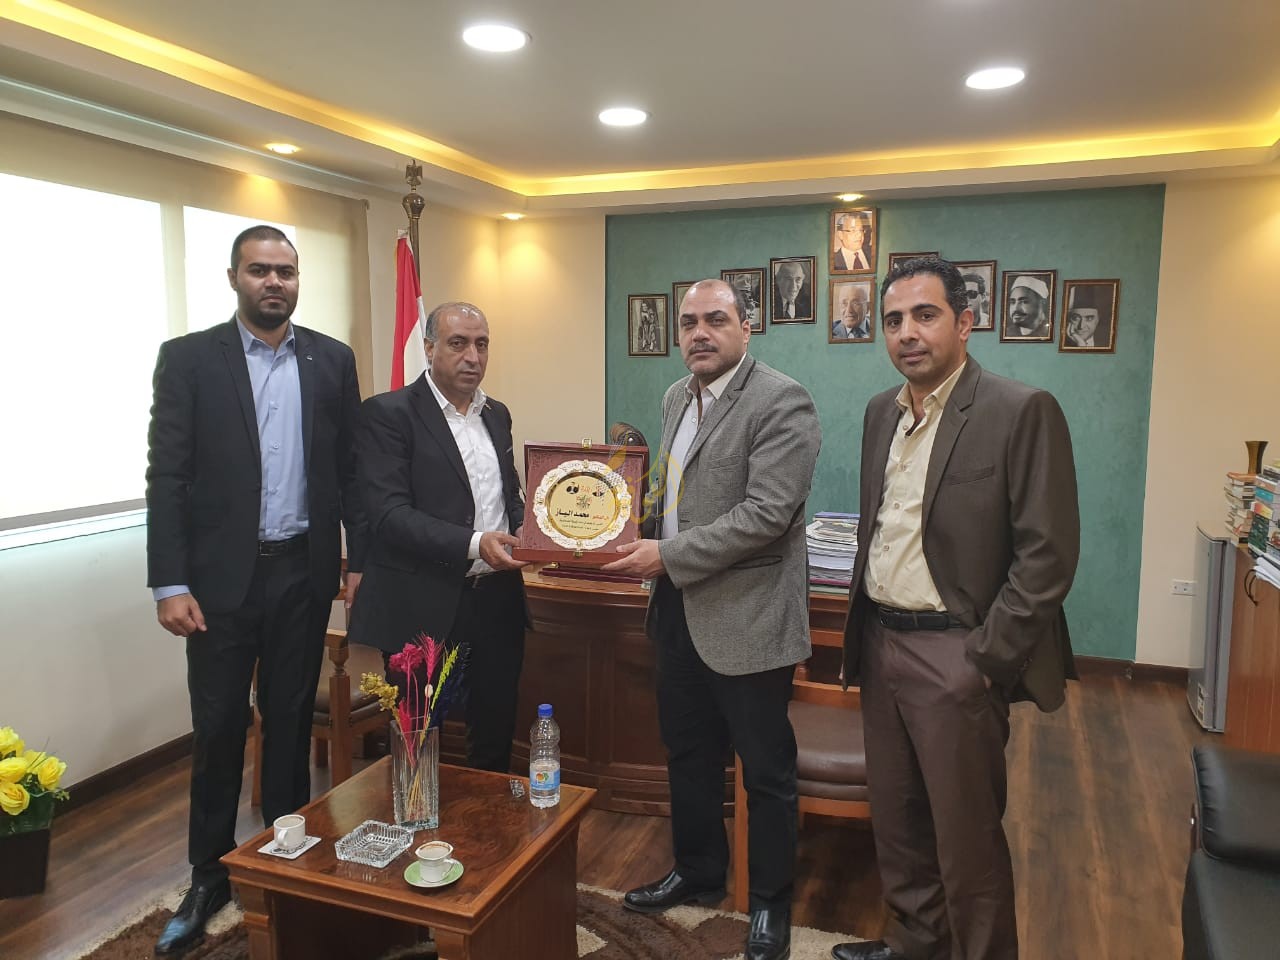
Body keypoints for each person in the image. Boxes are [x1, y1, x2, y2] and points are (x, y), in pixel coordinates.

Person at [831, 257, 1079, 960]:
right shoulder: (881, 412)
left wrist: (985, 660)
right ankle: (916, 944)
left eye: (925, 315)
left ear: (965, 323)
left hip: (956, 653)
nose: (907, 333)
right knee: (898, 824)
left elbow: (1047, 556)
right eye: (893, 321)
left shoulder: (1019, 410)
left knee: (967, 842)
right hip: (881, 641)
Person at [146, 225, 366, 955]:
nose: (274, 282)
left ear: (298, 281)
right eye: (260, 270)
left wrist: (356, 559)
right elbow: (167, 478)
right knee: (217, 728)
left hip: (302, 572)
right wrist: (170, 582)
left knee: (291, 718)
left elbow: (350, 468)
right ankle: (208, 874)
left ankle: (284, 852)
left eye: (286, 272)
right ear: (234, 277)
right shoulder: (189, 360)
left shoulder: (332, 360)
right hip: (217, 584)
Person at [603, 279, 820, 960]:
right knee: (688, 754)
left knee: (766, 771)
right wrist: (613, 525)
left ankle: (769, 904)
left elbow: (766, 514)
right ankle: (697, 871)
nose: (700, 333)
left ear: (746, 328)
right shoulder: (677, 396)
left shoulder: (781, 400)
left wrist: (666, 554)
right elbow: (671, 495)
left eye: (716, 320)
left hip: (749, 616)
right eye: (689, 322)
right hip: (676, 611)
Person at [347, 301, 528, 774]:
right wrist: (475, 542)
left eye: (482, 344)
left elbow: (507, 494)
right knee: (416, 743)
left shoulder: (497, 414)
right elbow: (389, 516)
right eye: (458, 343)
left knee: (494, 734)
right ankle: (417, 820)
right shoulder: (388, 415)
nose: (473, 356)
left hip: (497, 600)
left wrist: (529, 529)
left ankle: (487, 820)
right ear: (429, 348)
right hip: (420, 602)